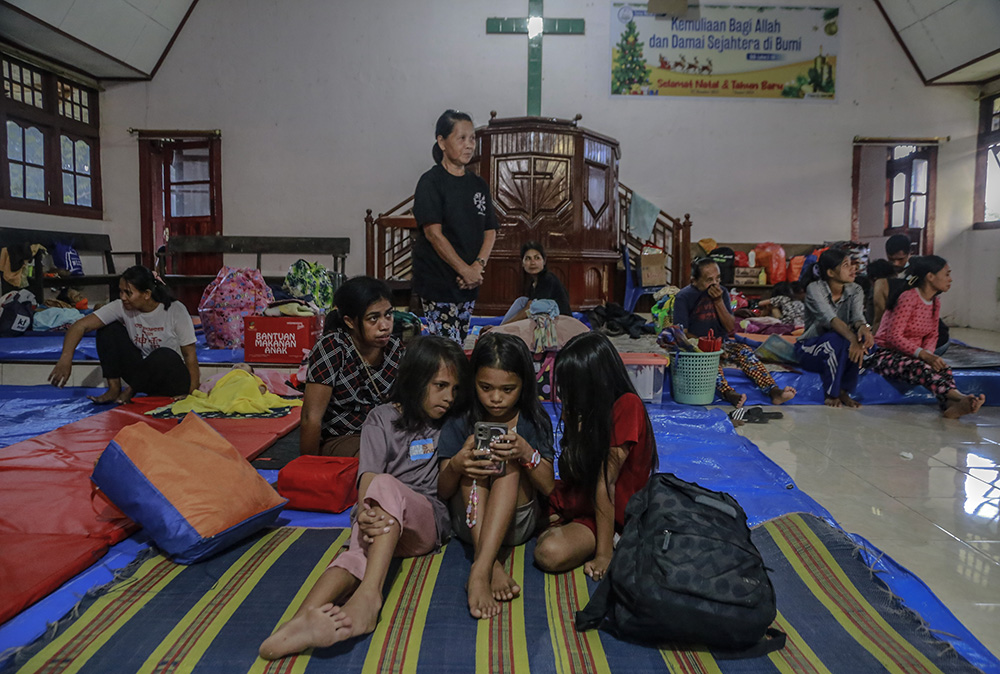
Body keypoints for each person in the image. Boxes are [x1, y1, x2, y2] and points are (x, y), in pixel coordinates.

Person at [259, 336, 469, 659]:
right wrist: (367, 512)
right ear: (416, 380)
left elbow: (431, 487)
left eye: (454, 389)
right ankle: (298, 624)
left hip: (425, 521)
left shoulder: (450, 423)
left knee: (383, 488)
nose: (448, 398)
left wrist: (374, 500)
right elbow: (367, 476)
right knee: (355, 555)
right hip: (381, 522)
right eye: (440, 386)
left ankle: (370, 596)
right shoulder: (382, 418)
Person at [437, 332, 555, 619]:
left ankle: (480, 567)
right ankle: (490, 564)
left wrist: (526, 452)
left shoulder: (533, 420)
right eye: (485, 387)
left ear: (524, 385)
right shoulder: (461, 417)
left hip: (516, 523)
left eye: (508, 389)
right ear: (472, 381)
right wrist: (457, 464)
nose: (496, 398)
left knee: (508, 461)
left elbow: (549, 487)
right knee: (473, 464)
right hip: (468, 524)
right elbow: (441, 490)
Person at [533, 332, 657, 580]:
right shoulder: (582, 409)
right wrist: (574, 434)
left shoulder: (627, 405)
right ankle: (565, 524)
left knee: (549, 553)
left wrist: (603, 556)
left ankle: (609, 539)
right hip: (580, 497)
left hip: (608, 513)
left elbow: (606, 483)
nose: (567, 393)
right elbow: (570, 470)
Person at [47, 265, 199, 404]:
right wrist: (65, 359)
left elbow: (190, 355)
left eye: (128, 293)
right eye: (121, 291)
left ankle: (129, 391)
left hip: (171, 378)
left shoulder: (175, 310)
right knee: (107, 328)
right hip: (144, 378)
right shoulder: (122, 306)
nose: (123, 297)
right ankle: (114, 390)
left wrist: (191, 393)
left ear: (146, 294)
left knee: (164, 354)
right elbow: (80, 326)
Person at [411, 109, 498, 345]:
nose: (469, 145)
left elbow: (490, 231)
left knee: (458, 343)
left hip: (469, 284)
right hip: (439, 283)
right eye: (462, 138)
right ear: (441, 141)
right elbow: (433, 233)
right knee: (447, 348)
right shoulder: (431, 182)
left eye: (472, 138)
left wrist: (477, 267)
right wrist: (464, 270)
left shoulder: (478, 184)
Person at [869, 256, 985, 418]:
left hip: (911, 355)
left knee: (942, 367)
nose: (950, 279)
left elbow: (932, 335)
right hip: (885, 355)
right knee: (920, 366)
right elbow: (894, 336)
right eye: (946, 274)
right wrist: (923, 355)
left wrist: (929, 356)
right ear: (930, 277)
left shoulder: (935, 303)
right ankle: (959, 397)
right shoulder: (908, 298)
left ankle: (950, 406)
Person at [672, 258, 797, 407]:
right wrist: (710, 347)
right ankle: (728, 393)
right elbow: (682, 334)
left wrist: (718, 302)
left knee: (745, 351)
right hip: (697, 347)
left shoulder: (722, 293)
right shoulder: (684, 297)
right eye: (709, 280)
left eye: (717, 278)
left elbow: (730, 327)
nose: (715, 284)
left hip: (722, 343)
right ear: (694, 281)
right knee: (708, 363)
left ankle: (774, 391)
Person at [300, 276, 402, 457]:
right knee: (378, 456)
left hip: (387, 433)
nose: (385, 325)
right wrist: (308, 470)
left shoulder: (395, 348)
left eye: (388, 315)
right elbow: (311, 417)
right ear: (350, 322)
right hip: (344, 437)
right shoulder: (332, 348)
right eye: (373, 318)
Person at [795, 249, 874, 408]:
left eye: (852, 264)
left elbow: (858, 317)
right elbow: (830, 319)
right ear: (831, 272)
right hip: (810, 347)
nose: (853, 268)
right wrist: (853, 339)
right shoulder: (815, 289)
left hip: (842, 344)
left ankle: (845, 390)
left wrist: (864, 330)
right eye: (846, 265)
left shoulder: (856, 289)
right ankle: (832, 393)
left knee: (868, 346)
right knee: (835, 342)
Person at [500, 241, 572, 324]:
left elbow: (530, 309)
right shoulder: (533, 283)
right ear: (522, 263)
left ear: (544, 261)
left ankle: (499, 330)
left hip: (560, 324)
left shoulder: (548, 279)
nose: (533, 263)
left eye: (537, 258)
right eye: (528, 258)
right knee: (522, 301)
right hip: (544, 321)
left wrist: (504, 326)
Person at [871, 234, 911, 332]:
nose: (895, 263)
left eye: (900, 259)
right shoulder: (883, 272)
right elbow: (879, 316)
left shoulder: (919, 272)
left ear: (909, 253)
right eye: (891, 259)